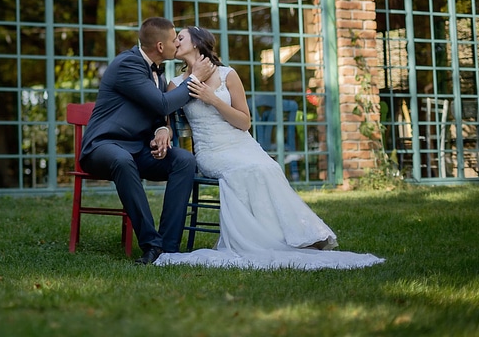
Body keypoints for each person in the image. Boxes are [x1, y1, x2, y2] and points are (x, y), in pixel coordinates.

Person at [155, 26, 385, 270]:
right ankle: (261, 240)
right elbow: (166, 117)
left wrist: (212, 99)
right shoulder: (176, 84)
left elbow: (244, 122)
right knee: (247, 170)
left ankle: (290, 237)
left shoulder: (227, 75)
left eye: (180, 37)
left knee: (267, 166)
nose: (175, 41)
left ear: (198, 43)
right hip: (211, 150)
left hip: (240, 143)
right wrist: (164, 130)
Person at [79, 17, 216, 265]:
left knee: (184, 160)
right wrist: (194, 78)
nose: (178, 42)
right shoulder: (127, 64)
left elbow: (157, 113)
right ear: (161, 47)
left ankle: (169, 248)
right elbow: (163, 103)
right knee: (121, 160)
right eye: (175, 39)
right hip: (102, 147)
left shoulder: (159, 74)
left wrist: (162, 129)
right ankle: (151, 245)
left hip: (138, 150)